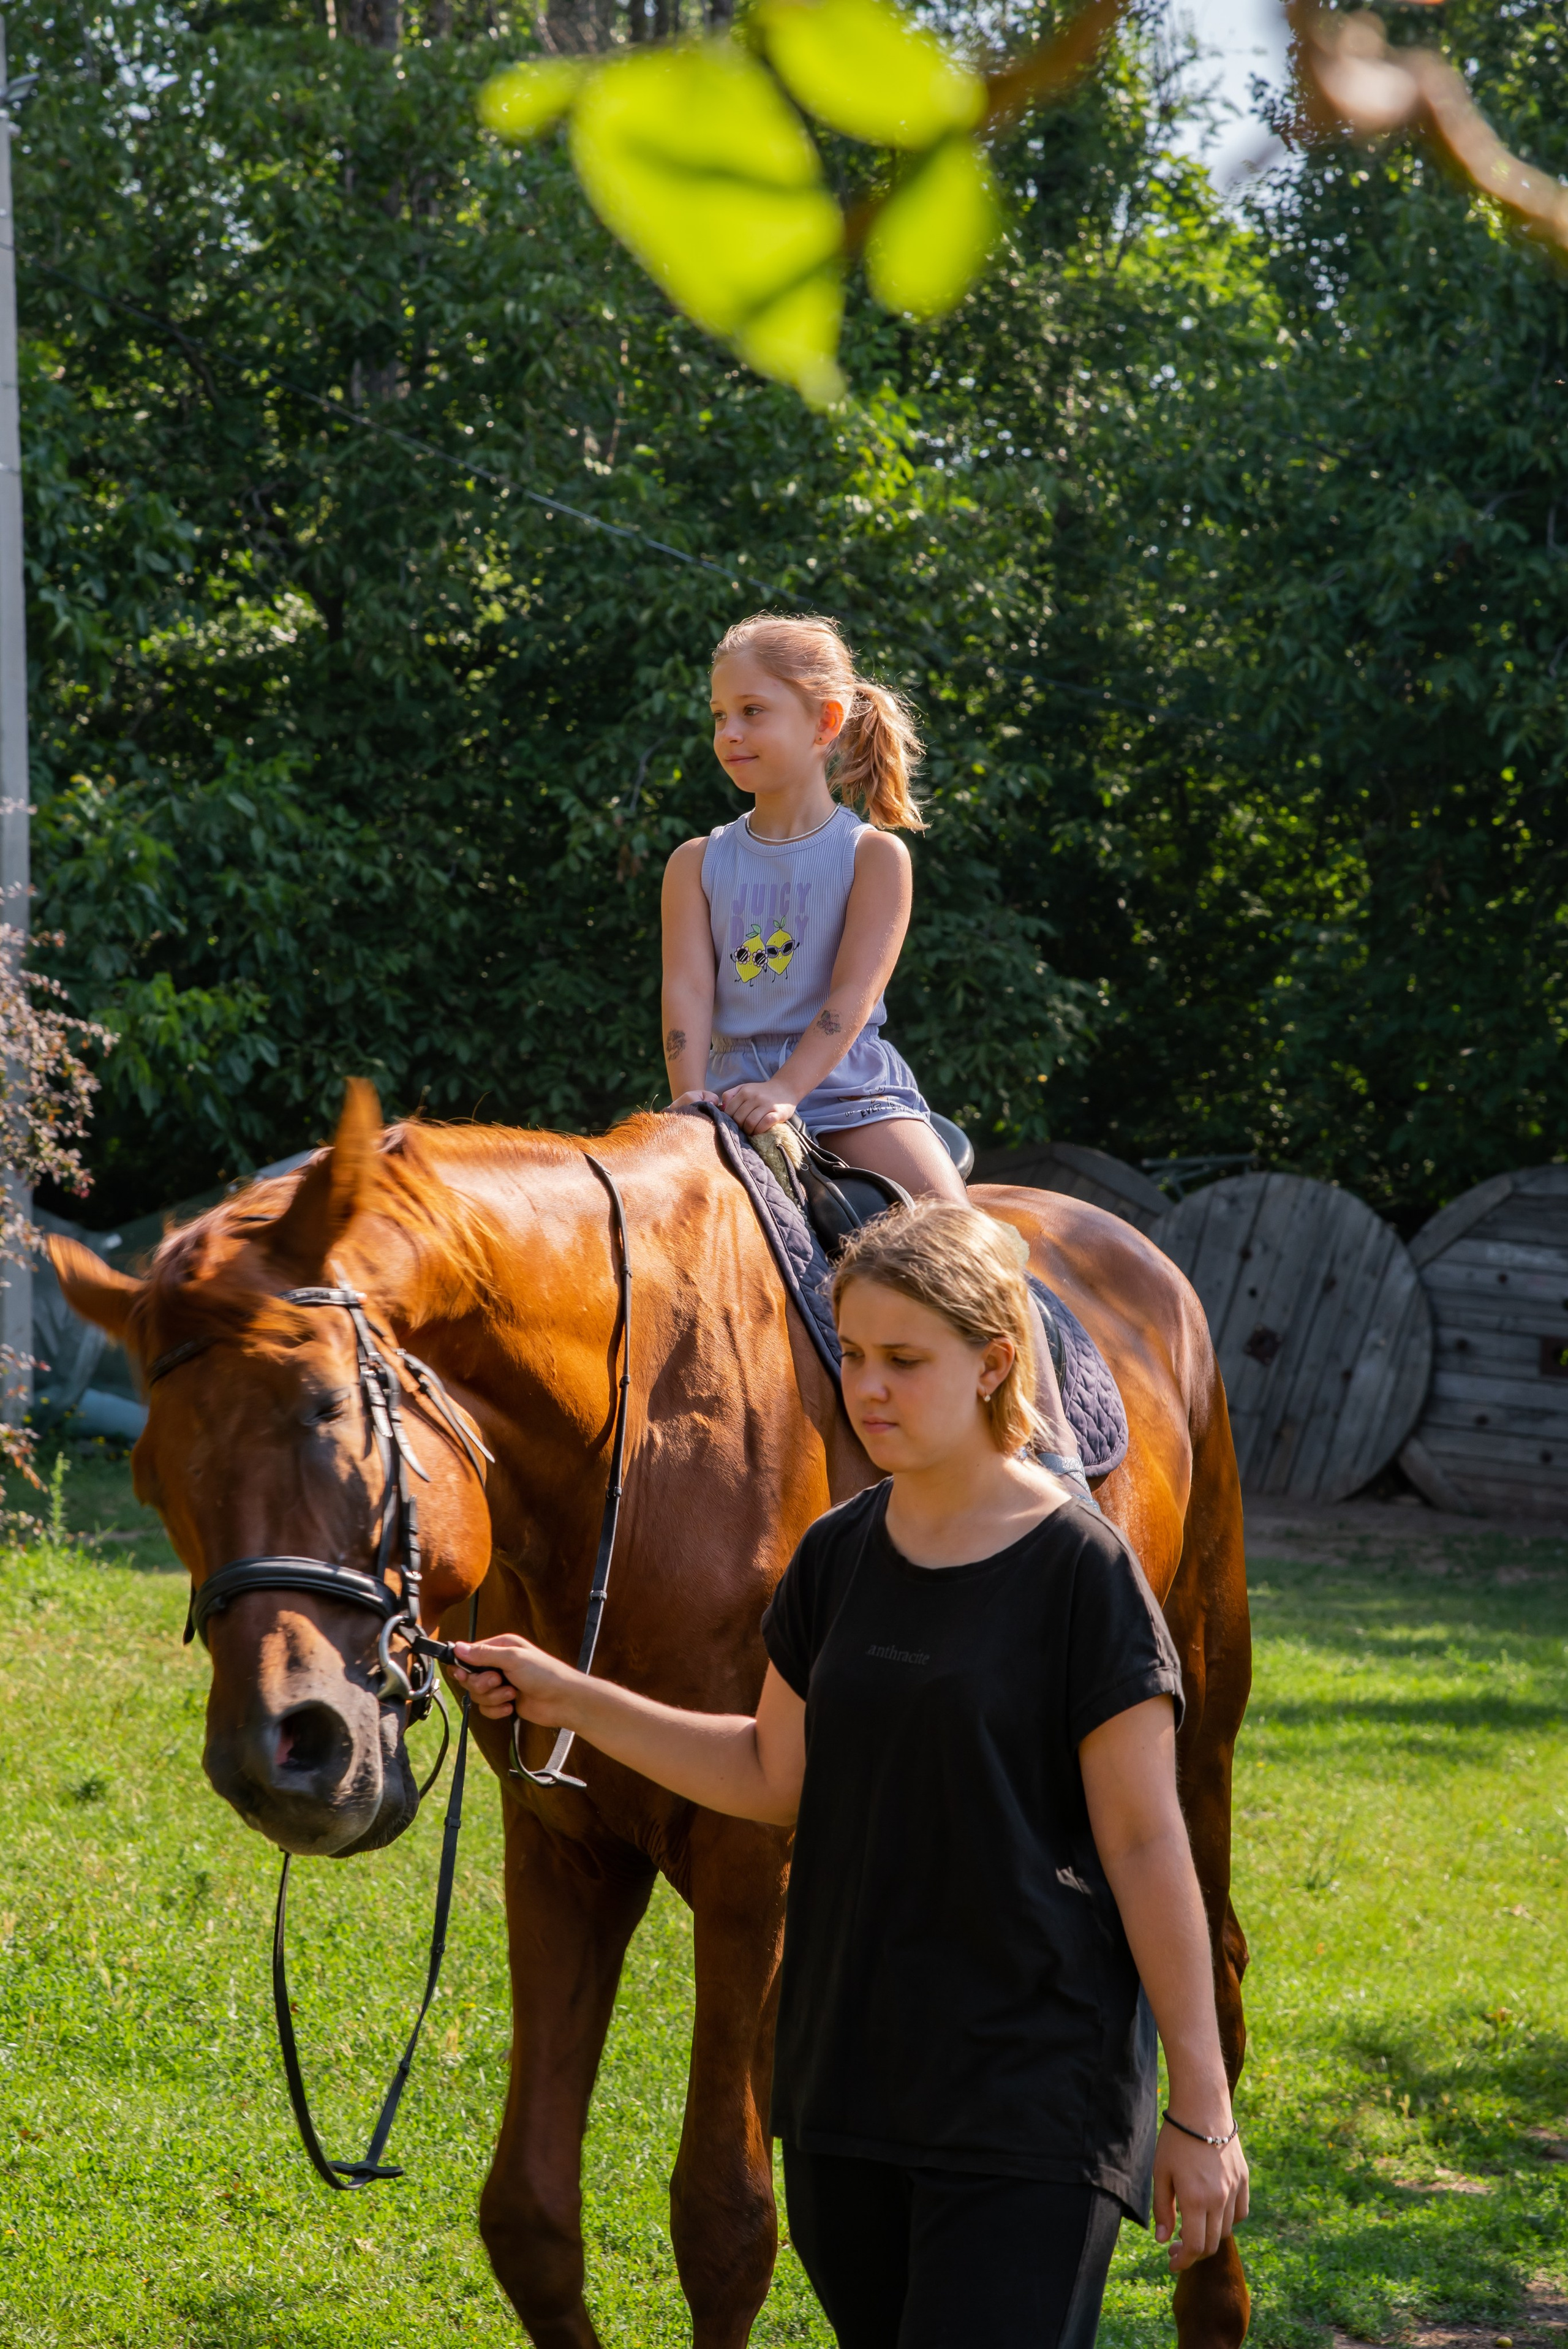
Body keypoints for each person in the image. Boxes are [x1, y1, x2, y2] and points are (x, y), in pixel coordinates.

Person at [451, 1202, 1248, 2349]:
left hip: (1029, 2098)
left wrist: (1203, 2110)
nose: (869, 1388)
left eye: (906, 1362)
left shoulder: (1084, 1572)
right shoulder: (838, 1553)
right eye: (855, 1355)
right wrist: (566, 1697)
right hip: (846, 2096)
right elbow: (773, 1772)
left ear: (994, 1366)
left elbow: (1144, 1845)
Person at [660, 610, 966, 1207]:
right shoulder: (694, 863)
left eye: (752, 711)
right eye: (719, 715)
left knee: (954, 1233)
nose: (729, 732)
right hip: (722, 1094)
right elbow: (687, 991)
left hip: (847, 1092)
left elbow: (852, 995)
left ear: (824, 722)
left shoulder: (873, 856)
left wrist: (785, 1089)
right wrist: (689, 1097)